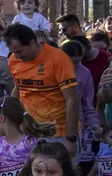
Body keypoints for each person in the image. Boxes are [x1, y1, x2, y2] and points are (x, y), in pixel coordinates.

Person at [5, 24, 78, 155]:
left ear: (33, 43)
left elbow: (71, 99)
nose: (16, 56)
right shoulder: (14, 60)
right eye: (13, 52)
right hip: (29, 132)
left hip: (58, 132)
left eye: (19, 51)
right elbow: (18, 88)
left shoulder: (58, 59)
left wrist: (71, 138)